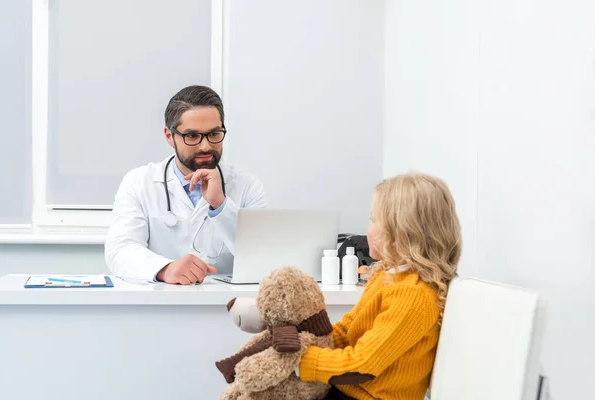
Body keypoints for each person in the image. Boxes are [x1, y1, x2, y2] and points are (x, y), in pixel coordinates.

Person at [298, 172, 462, 400]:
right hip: (349, 391)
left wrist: (300, 362)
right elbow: (348, 330)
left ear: (401, 234)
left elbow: (362, 365)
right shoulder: (386, 275)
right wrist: (303, 338)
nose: (369, 227)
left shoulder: (413, 295)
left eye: (374, 219)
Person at [104, 85, 267, 284]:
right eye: (192, 136)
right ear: (169, 136)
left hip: (227, 306)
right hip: (161, 304)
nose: (206, 146)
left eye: (214, 134)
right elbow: (120, 250)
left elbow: (263, 256)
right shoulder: (139, 182)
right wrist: (165, 269)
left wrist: (221, 204)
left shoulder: (247, 186)